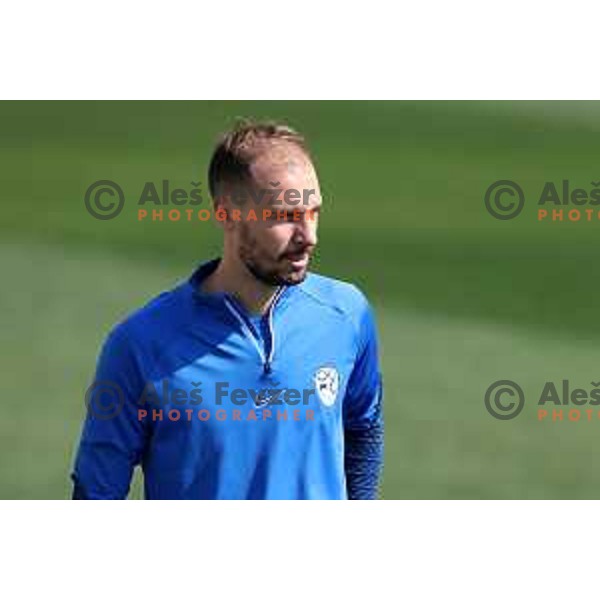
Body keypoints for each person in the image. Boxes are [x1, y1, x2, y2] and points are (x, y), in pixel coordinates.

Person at [71, 119, 384, 499]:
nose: (309, 237)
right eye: (285, 217)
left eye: (314, 212)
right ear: (227, 216)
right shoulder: (141, 345)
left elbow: (363, 429)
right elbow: (97, 492)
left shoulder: (346, 316)